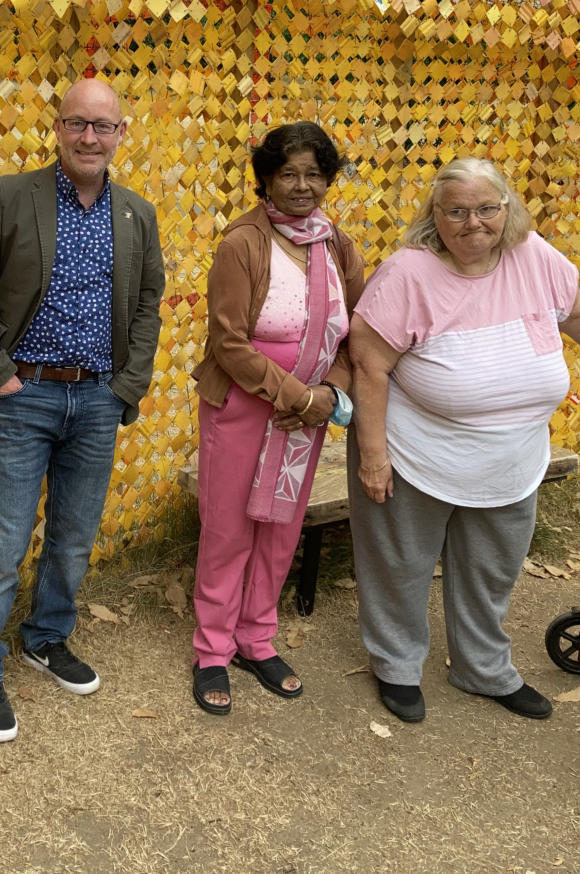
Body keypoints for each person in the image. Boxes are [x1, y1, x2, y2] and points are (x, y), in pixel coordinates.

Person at [0, 78, 166, 742]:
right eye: (78, 123)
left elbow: (150, 299)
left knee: (73, 537)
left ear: (122, 134)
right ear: (58, 129)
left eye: (104, 126)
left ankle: (45, 639)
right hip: (25, 396)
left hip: (98, 399)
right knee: (2, 545)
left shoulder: (135, 213)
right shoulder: (15, 197)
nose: (90, 137)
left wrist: (126, 387)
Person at [349, 157, 580, 724]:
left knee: (492, 570)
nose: (472, 223)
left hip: (513, 460)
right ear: (435, 215)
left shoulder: (534, 256)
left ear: (506, 209)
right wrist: (374, 458)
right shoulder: (409, 272)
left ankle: (483, 668)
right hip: (417, 457)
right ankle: (398, 666)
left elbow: (578, 315)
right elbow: (367, 365)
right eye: (455, 210)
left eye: (485, 208)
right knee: (401, 566)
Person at [189, 122, 364, 715]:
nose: (302, 185)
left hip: (306, 414)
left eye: (314, 173)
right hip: (244, 406)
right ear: (266, 179)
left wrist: (328, 395)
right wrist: (298, 396)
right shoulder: (243, 243)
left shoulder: (336, 245)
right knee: (229, 528)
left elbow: (354, 336)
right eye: (288, 173)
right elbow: (229, 342)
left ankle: (255, 638)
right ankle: (212, 648)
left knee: (280, 526)